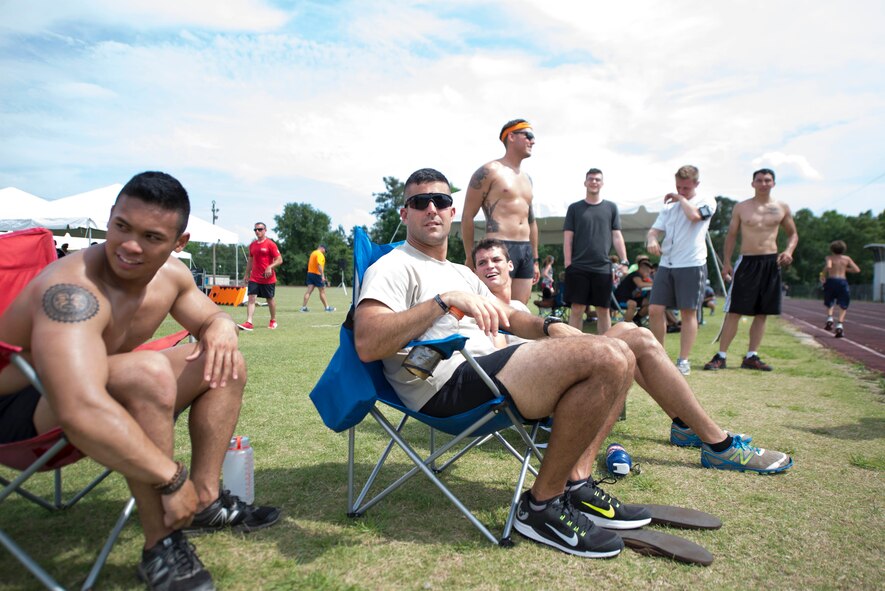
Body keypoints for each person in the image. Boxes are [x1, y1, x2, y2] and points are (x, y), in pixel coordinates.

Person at [354, 168, 792, 559]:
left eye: (442, 201)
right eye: (419, 202)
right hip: (448, 382)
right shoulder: (395, 266)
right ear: (405, 212)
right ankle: (541, 506)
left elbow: (512, 316)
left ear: (452, 212)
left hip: (496, 369)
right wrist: (441, 302)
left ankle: (584, 482)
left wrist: (551, 327)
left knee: (632, 337)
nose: (432, 209)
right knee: (608, 353)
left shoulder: (463, 271)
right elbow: (368, 342)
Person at [0, 172, 280, 590]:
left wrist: (221, 325)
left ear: (178, 244)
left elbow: (208, 315)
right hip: (19, 411)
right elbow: (80, 409)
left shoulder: (170, 277)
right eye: (122, 227)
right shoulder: (73, 293)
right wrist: (169, 478)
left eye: (151, 237)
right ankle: (161, 545)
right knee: (146, 373)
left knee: (225, 361)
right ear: (111, 217)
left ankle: (204, 501)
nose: (130, 246)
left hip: (91, 390)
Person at [704, 169, 798, 372]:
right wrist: (727, 262)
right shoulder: (742, 207)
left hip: (770, 262)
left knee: (762, 312)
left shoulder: (781, 207)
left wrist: (789, 251)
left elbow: (793, 234)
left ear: (773, 183)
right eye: (759, 180)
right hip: (747, 262)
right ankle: (721, 356)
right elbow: (731, 235)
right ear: (753, 183)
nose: (763, 183)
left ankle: (751, 356)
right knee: (735, 311)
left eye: (767, 180)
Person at [646, 165, 717, 375]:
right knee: (654, 309)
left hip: (691, 264)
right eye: (678, 187)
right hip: (667, 263)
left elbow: (695, 216)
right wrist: (651, 239)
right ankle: (658, 356)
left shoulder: (706, 201)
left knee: (688, 313)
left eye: (686, 187)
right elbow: (654, 230)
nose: (681, 190)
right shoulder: (669, 207)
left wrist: (681, 199)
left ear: (696, 184)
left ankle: (683, 360)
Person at [461, 118, 540, 305]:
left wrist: (536, 258)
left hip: (525, 248)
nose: (533, 141)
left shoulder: (527, 178)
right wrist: (469, 257)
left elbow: (531, 221)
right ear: (511, 136)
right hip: (500, 244)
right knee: (498, 307)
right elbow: (467, 216)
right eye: (528, 135)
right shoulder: (489, 171)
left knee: (520, 308)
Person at [563, 168, 629, 334]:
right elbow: (568, 238)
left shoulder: (611, 208)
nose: (594, 182)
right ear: (585, 182)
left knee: (603, 310)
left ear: (602, 183)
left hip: (602, 267)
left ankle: (606, 348)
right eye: (591, 179)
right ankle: (571, 348)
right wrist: (568, 263)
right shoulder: (574, 208)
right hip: (578, 266)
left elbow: (617, 236)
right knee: (577, 308)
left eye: (597, 179)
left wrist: (624, 261)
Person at [238, 222, 282, 331]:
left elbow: (280, 260)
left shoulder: (271, 244)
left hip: (268, 278)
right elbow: (250, 260)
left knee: (269, 299)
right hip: (255, 277)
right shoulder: (252, 245)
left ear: (265, 230)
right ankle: (249, 322)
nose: (257, 231)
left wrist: (270, 267)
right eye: (255, 230)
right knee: (251, 297)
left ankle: (273, 320)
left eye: (260, 229)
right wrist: (247, 273)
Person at [821, 240, 860, 338]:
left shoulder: (829, 257)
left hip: (831, 280)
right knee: (843, 303)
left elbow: (829, 266)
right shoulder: (846, 259)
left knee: (830, 300)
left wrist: (822, 274)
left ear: (832, 249)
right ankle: (840, 325)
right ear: (843, 249)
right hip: (842, 281)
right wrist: (845, 269)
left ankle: (830, 318)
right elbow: (857, 270)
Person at [614, 260, 654, 324]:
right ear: (641, 269)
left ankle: (636, 320)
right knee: (633, 304)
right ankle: (626, 324)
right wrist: (655, 284)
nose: (648, 275)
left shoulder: (640, 276)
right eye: (647, 272)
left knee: (650, 303)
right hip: (621, 298)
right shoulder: (636, 275)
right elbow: (640, 284)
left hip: (630, 298)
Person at [301, 244, 335, 312]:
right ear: (322, 248)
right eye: (325, 250)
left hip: (310, 273)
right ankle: (327, 308)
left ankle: (303, 308)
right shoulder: (320, 254)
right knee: (322, 291)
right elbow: (319, 265)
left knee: (309, 291)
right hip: (317, 274)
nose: (325, 252)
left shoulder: (313, 253)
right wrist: (322, 275)